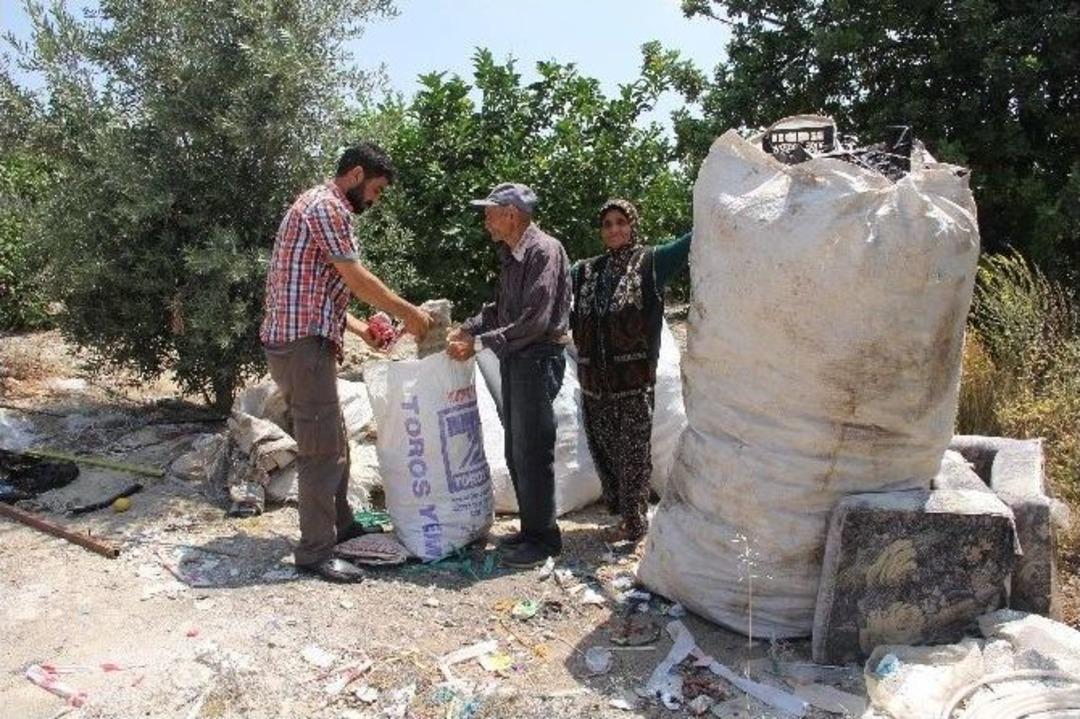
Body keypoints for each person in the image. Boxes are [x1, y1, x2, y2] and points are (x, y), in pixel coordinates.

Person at [261, 142, 432, 583]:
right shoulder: (328, 207)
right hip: (303, 347)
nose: (375, 200)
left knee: (333, 439)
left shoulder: (317, 204)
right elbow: (356, 279)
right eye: (376, 189)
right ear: (356, 175)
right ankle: (315, 552)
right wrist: (410, 314)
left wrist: (359, 330)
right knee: (322, 451)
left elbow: (318, 289)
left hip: (302, 342)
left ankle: (342, 525)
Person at [447, 182, 572, 568]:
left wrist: (478, 343)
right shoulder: (512, 255)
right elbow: (499, 309)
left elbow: (534, 321)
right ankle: (532, 530)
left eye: (490, 213)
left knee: (533, 448)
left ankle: (545, 539)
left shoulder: (543, 251)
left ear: (511, 215)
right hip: (517, 358)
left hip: (536, 357)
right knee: (517, 448)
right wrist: (467, 328)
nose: (486, 221)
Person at [571, 198, 691, 543]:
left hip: (633, 384)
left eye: (621, 222)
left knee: (634, 454)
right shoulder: (586, 272)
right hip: (594, 384)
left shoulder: (651, 263)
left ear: (633, 225)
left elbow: (690, 242)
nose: (614, 229)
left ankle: (634, 523)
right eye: (607, 224)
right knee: (606, 453)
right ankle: (623, 513)